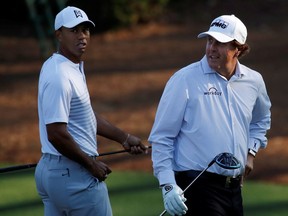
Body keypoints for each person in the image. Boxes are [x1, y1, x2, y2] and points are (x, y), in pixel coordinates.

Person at [148, 14, 271, 216]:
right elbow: (162, 137)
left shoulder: (254, 81)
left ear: (239, 48)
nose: (211, 48)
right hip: (196, 184)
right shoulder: (184, 79)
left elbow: (260, 121)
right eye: (209, 41)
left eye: (220, 43)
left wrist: (250, 153)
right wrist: (168, 185)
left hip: (233, 188)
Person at [35, 6, 147, 216]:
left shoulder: (65, 66)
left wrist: (124, 137)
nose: (82, 36)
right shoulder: (60, 75)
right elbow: (56, 133)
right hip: (73, 175)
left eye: (85, 30)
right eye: (74, 30)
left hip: (54, 171)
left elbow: (84, 115)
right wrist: (90, 165)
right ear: (58, 34)